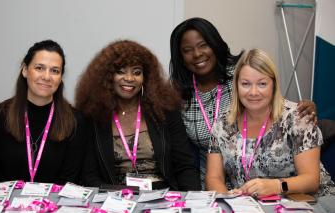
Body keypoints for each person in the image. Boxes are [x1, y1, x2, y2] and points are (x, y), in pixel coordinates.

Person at [169, 17, 318, 189]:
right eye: (187, 50)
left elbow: (311, 179)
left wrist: (306, 108)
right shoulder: (179, 96)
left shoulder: (242, 74)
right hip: (221, 188)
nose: (197, 54)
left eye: (203, 45)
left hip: (288, 194)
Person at [206, 48, 335, 197]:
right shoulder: (223, 124)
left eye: (262, 84)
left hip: (308, 204)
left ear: (273, 85)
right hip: (251, 209)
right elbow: (214, 178)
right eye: (246, 84)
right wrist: (229, 201)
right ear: (236, 86)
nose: (253, 92)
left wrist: (277, 186)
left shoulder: (298, 117)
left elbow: (311, 181)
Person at [75, 40, 201, 191]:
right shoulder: (93, 116)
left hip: (163, 198)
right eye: (121, 71)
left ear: (146, 78)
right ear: (107, 77)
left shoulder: (165, 111)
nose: (129, 78)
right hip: (115, 199)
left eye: (137, 72)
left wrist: (190, 202)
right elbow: (89, 177)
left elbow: (184, 166)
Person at [0, 40, 87, 185]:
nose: (47, 77)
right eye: (39, 68)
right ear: (24, 70)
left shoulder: (75, 121)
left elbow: (69, 181)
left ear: (60, 78)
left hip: (53, 205)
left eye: (55, 71)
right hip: (4, 204)